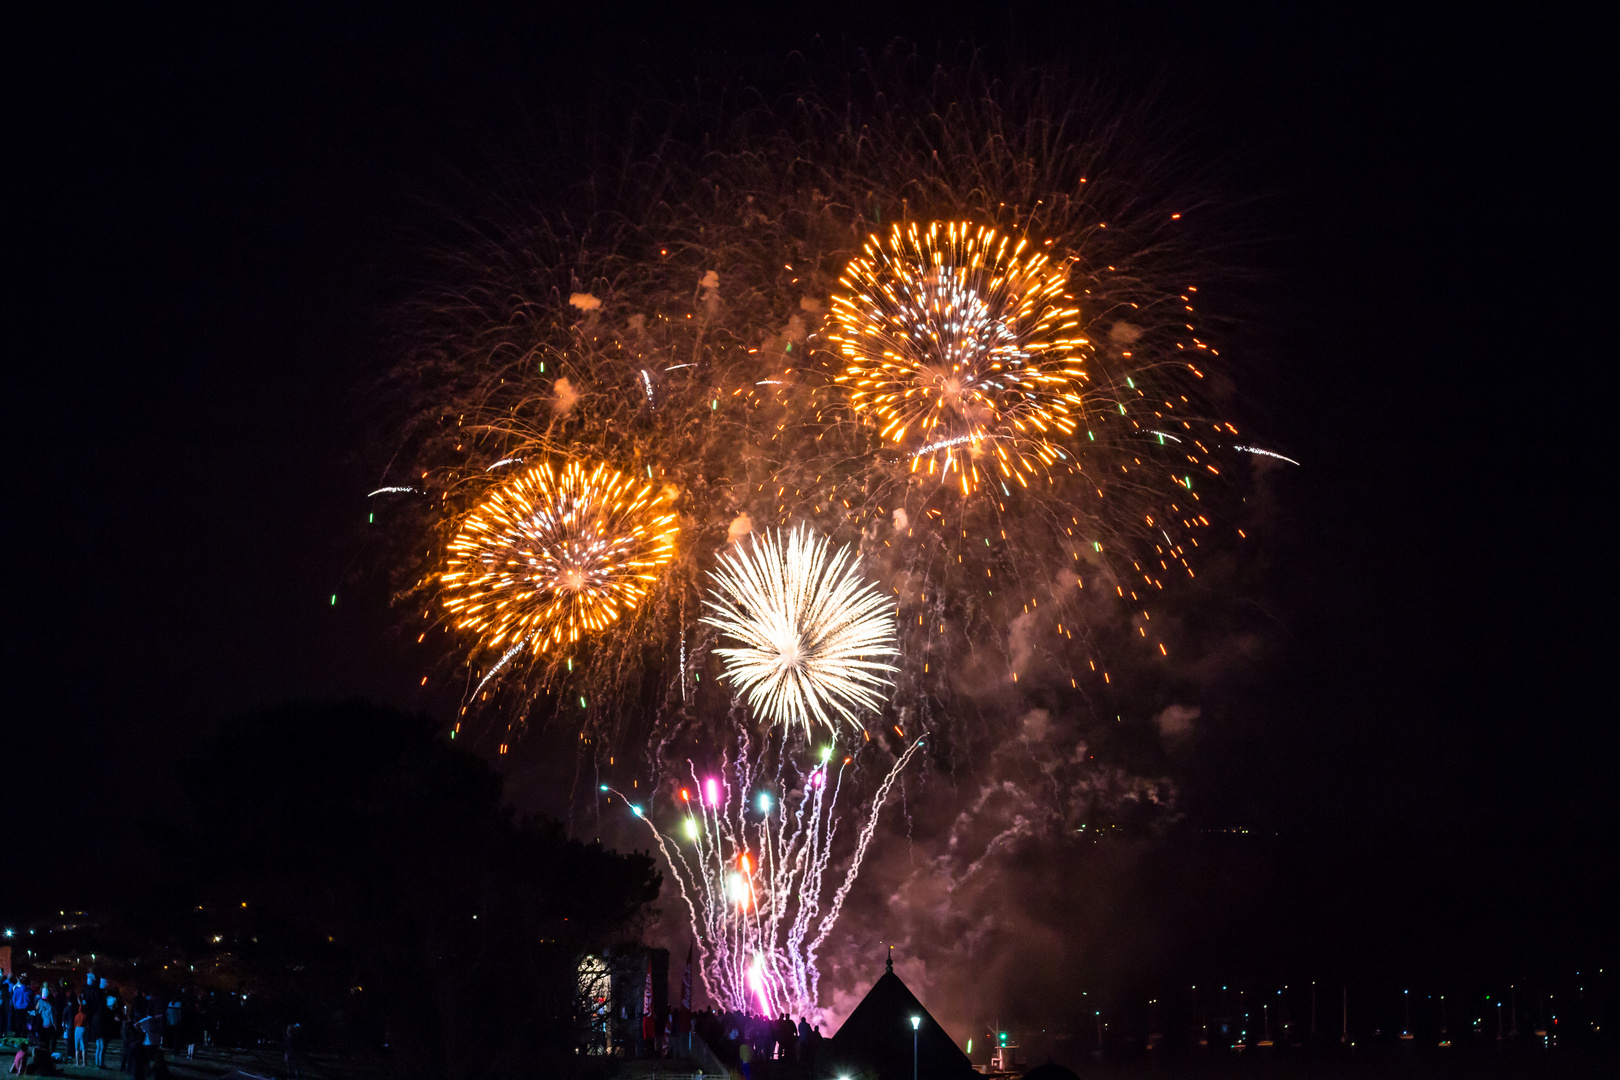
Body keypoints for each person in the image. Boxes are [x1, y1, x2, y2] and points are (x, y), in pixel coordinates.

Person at [73, 1000, 88, 1066]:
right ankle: (84, 1062)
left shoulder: (76, 1015)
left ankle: (77, 1062)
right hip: (83, 1029)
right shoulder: (85, 1015)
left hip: (77, 1029)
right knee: (84, 1047)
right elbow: (87, 1024)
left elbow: (75, 1023)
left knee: (77, 1047)